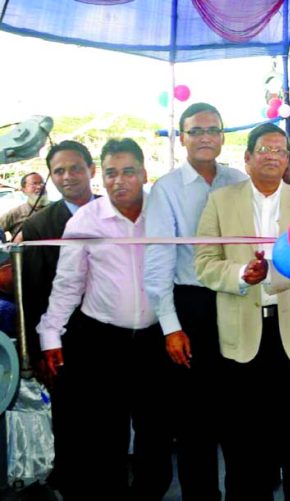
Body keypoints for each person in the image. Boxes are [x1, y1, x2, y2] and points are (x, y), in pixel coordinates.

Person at [37, 138, 172, 500]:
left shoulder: (163, 215)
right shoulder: (85, 221)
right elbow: (68, 285)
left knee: (155, 432)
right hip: (102, 341)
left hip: (154, 338)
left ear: (144, 174)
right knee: (106, 435)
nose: (119, 181)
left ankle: (149, 494)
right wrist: (50, 335)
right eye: (111, 173)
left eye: (128, 172)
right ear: (102, 175)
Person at [195, 123, 290, 500]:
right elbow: (203, 262)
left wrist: (272, 279)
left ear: (288, 161)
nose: (272, 156)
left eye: (280, 150)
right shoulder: (221, 201)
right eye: (264, 149)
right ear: (247, 158)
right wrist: (241, 275)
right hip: (241, 336)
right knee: (244, 440)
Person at [142, 102, 247, 500]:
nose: (205, 137)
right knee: (194, 421)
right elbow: (157, 263)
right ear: (182, 137)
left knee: (237, 414)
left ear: (222, 136)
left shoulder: (238, 179)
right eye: (196, 130)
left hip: (237, 301)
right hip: (192, 308)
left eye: (213, 130)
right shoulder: (167, 189)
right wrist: (171, 327)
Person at [19, 140, 96, 495]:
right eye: (59, 171)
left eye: (75, 168)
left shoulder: (116, 212)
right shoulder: (39, 226)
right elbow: (34, 294)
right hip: (63, 341)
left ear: (91, 169)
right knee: (69, 419)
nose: (68, 176)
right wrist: (37, 351)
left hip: (114, 336)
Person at [0, 171, 46, 238]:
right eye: (34, 184)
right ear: (24, 190)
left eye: (42, 183)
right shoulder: (15, 213)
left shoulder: (56, 209)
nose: (39, 187)